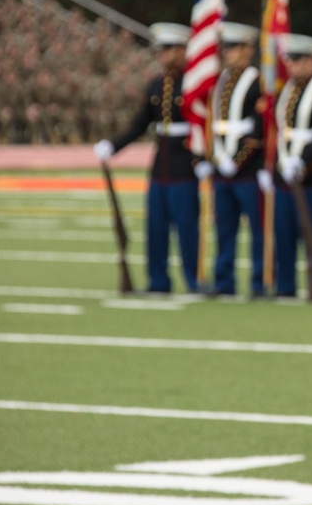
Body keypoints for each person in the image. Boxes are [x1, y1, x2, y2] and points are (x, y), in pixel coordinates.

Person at [94, 23, 201, 294]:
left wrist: (204, 159)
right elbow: (140, 123)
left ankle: (194, 280)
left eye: (167, 49)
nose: (162, 55)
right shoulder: (157, 84)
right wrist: (113, 145)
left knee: (187, 228)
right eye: (160, 50)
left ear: (182, 50)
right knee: (156, 228)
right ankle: (158, 281)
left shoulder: (195, 83)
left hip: (186, 164)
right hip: (161, 166)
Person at [201, 22, 268, 298]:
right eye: (225, 47)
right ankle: (223, 279)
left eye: (233, 47)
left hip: (248, 169)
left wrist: (238, 160)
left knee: (258, 229)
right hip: (221, 165)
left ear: (247, 50)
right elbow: (213, 123)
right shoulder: (220, 80)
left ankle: (258, 281)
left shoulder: (258, 81)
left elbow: (259, 127)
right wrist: (214, 157)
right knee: (224, 228)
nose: (227, 53)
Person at [273, 33, 312, 298]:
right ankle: (285, 285)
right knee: (283, 231)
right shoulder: (286, 90)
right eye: (290, 60)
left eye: (298, 60)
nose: (293, 65)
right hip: (284, 171)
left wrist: (302, 160)